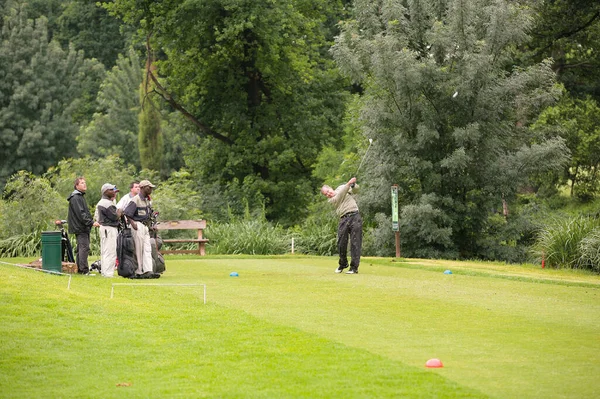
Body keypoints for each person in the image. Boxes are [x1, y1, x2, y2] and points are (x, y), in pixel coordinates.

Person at [321, 177, 363, 274]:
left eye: (328, 191)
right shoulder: (332, 200)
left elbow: (356, 190)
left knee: (355, 243)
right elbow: (340, 195)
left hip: (355, 216)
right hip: (343, 219)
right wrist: (348, 183)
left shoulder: (341, 187)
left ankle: (354, 268)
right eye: (326, 194)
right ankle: (343, 263)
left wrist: (353, 185)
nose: (328, 194)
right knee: (341, 243)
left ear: (331, 188)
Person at [123, 179, 159, 278]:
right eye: (149, 187)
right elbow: (127, 213)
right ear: (142, 188)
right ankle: (138, 271)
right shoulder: (135, 199)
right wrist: (133, 224)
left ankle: (148, 270)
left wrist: (152, 225)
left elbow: (150, 214)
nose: (151, 189)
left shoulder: (147, 200)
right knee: (138, 249)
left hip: (145, 227)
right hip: (137, 225)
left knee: (147, 249)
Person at [67, 177, 99, 274]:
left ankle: (80, 269)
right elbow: (81, 214)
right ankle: (84, 270)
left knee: (81, 248)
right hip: (80, 227)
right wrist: (91, 222)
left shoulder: (79, 196)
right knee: (84, 248)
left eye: (85, 182)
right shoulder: (76, 197)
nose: (84, 184)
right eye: (82, 183)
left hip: (81, 226)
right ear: (76, 186)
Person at [95, 184, 121, 277]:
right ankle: (108, 273)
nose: (114, 192)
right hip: (109, 228)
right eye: (111, 190)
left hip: (105, 228)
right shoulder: (107, 203)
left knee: (105, 251)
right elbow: (114, 216)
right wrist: (119, 212)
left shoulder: (104, 202)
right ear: (105, 191)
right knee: (110, 251)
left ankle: (105, 272)